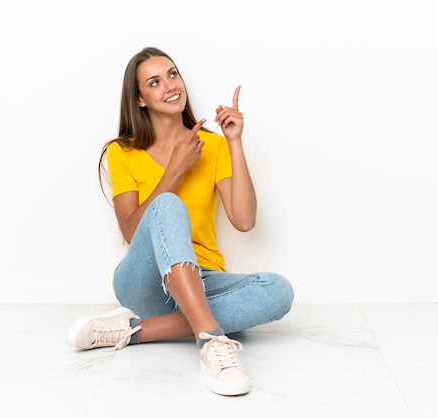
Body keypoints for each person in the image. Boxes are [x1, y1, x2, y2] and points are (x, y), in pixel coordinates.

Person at [66, 47, 294, 396]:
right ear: (140, 99)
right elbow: (130, 231)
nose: (170, 86)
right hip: (145, 282)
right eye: (154, 82)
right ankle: (211, 339)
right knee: (167, 204)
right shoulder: (121, 152)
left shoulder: (213, 147)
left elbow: (245, 220)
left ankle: (133, 331)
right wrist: (174, 170)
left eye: (172, 74)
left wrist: (234, 142)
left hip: (204, 280)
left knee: (279, 292)